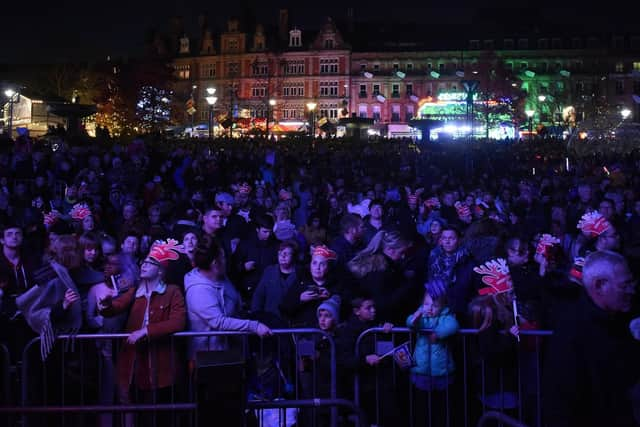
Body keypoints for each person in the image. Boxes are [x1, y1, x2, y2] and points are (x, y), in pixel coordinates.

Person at [543, 251, 639, 427]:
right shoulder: (571, 332)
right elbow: (562, 402)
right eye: (624, 285)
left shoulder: (619, 321)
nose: (631, 291)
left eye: (632, 283)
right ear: (600, 285)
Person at [99, 239, 186, 427]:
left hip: (160, 361)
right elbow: (116, 307)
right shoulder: (135, 290)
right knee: (135, 408)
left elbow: (178, 322)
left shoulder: (172, 291)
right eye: (144, 262)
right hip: (135, 361)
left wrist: (147, 331)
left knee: (159, 412)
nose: (144, 265)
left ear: (160, 270)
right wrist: (106, 305)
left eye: (150, 262)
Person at [407, 280, 459, 427]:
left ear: (443, 305)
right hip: (421, 370)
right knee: (422, 407)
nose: (430, 308)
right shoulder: (422, 317)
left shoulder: (446, 316)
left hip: (442, 371)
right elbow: (410, 322)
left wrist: (437, 333)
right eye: (427, 304)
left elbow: (453, 325)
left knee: (442, 409)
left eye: (435, 305)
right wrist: (416, 316)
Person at [348, 230, 415, 324]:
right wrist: (407, 286)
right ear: (390, 250)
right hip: (379, 326)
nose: (403, 257)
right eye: (401, 252)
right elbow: (382, 303)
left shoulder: (380, 266)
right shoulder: (381, 271)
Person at [251, 240, 301, 322]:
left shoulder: (301, 273)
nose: (282, 256)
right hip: (269, 321)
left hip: (293, 323)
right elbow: (258, 296)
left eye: (287, 253)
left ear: (294, 256)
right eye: (280, 253)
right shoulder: (269, 271)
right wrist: (256, 317)